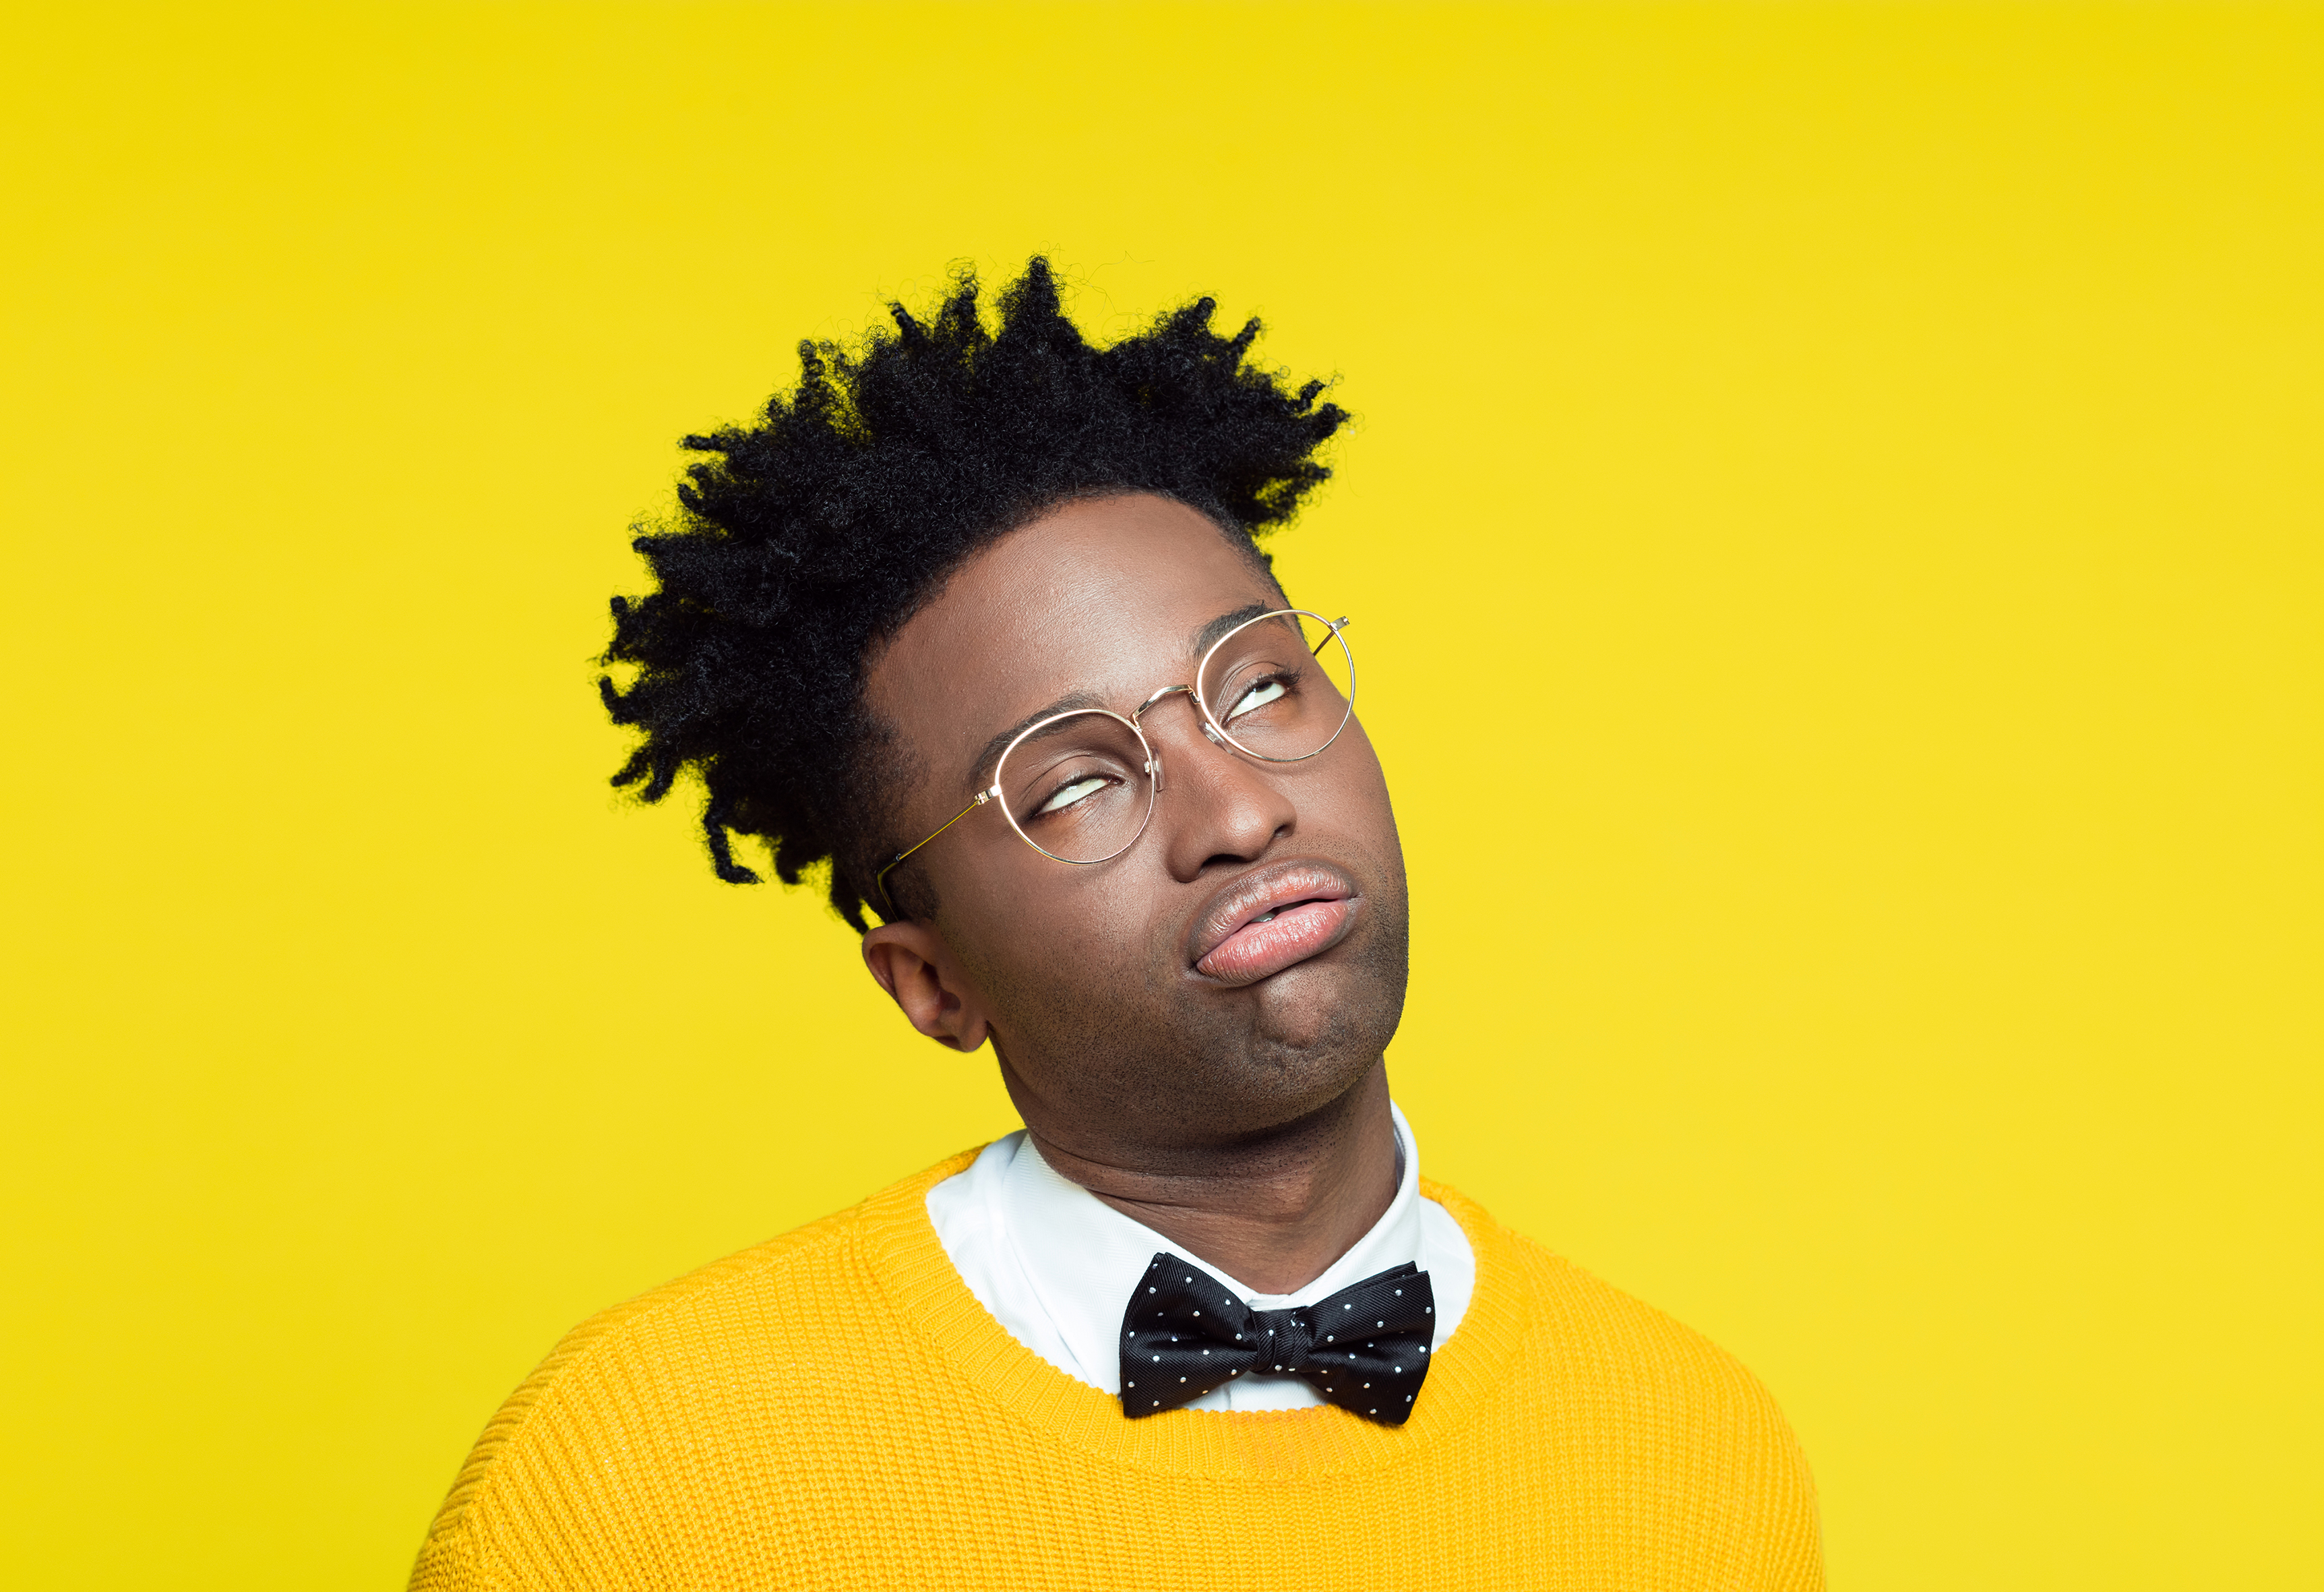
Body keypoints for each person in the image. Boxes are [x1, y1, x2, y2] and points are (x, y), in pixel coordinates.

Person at [407, 260, 1823, 1590]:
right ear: (931, 982)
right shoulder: (639, 1474)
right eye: (1076, 783)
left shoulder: (1701, 1449)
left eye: (1259, 687)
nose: (1238, 811)